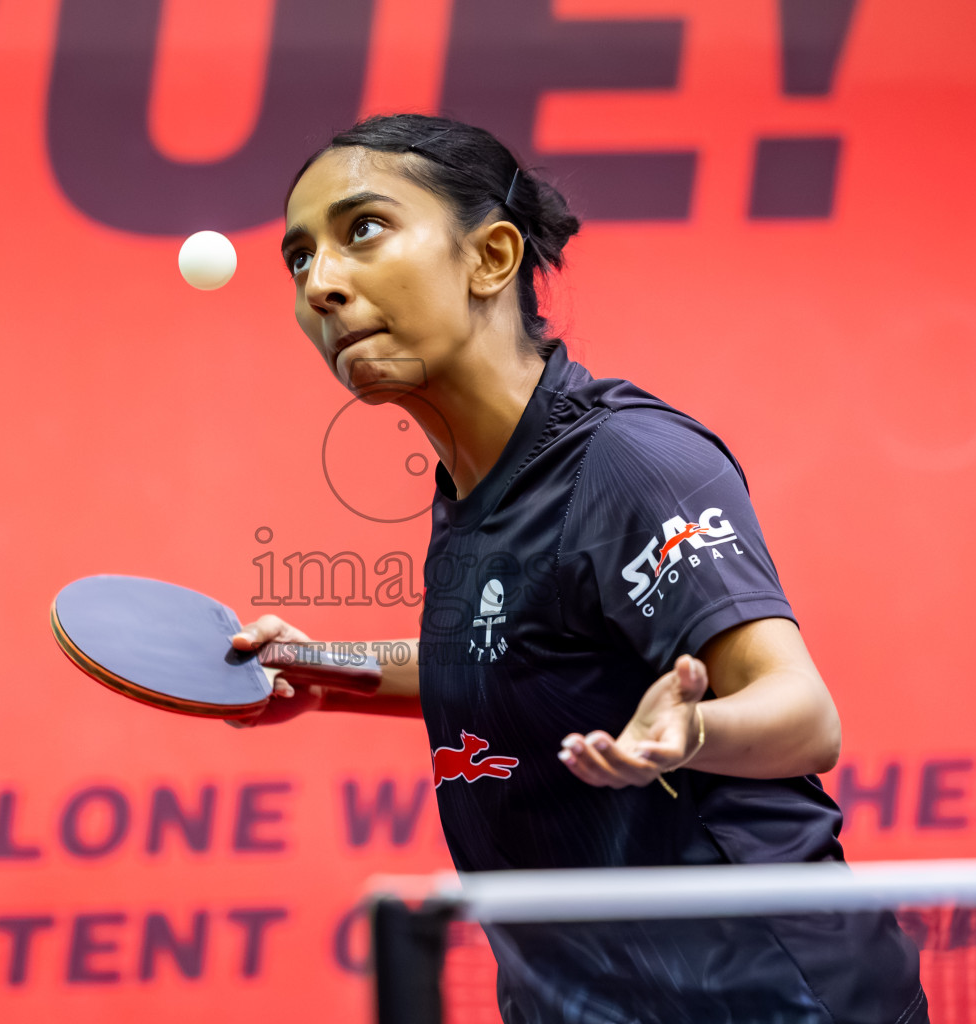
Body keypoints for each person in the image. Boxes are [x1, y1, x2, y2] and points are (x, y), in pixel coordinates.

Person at [233, 113, 927, 1024]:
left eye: (362, 229)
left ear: (491, 258)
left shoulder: (626, 460)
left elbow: (803, 718)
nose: (320, 283)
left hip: (762, 992)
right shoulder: (477, 486)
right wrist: (332, 668)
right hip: (587, 1000)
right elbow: (513, 649)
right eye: (298, 259)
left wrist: (689, 738)